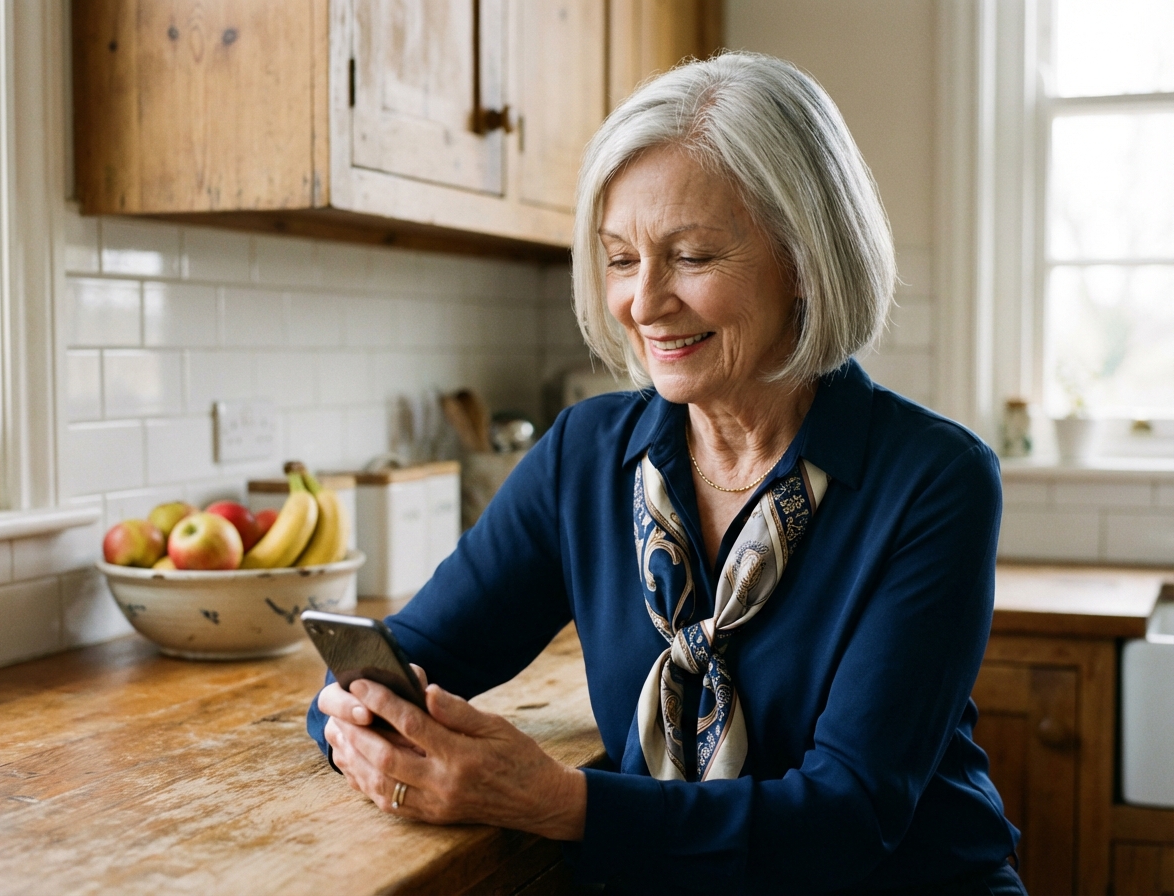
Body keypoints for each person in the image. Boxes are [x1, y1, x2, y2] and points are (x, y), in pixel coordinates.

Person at [308, 52, 1025, 895]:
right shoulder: (584, 456)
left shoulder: (936, 481)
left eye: (690, 256)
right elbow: (401, 658)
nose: (644, 302)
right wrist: (363, 723)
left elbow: (846, 821)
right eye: (620, 258)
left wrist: (558, 802)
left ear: (804, 260)